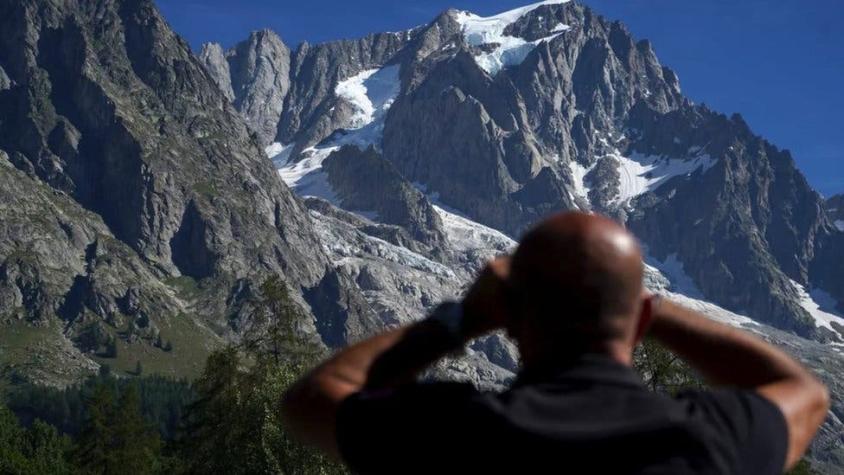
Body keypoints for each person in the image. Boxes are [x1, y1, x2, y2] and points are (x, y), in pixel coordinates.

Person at [281, 212, 829, 474]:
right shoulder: (712, 438)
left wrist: (462, 319)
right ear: (637, 322)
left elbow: (314, 398)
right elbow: (803, 391)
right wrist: (644, 302)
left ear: (513, 318)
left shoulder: (455, 432)